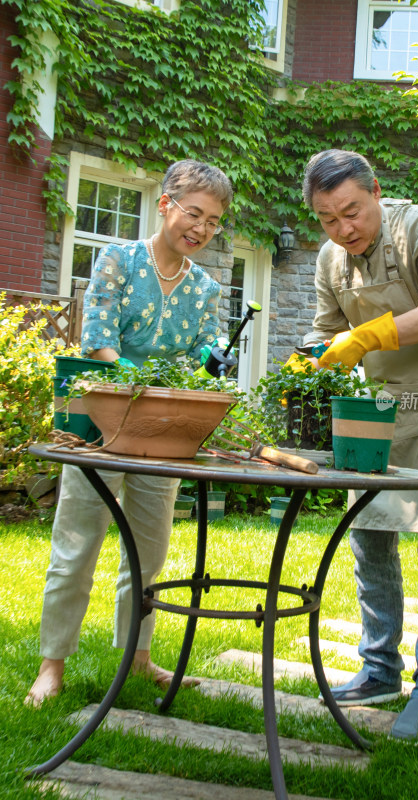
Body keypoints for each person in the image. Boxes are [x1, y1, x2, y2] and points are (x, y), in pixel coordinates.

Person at [291, 149, 418, 743]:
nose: (344, 229)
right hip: (377, 405)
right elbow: (327, 330)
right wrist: (304, 360)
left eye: (352, 211)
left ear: (375, 191)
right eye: (329, 219)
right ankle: (379, 670)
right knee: (370, 532)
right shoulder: (331, 258)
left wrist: (370, 332)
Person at [26, 159, 233, 706]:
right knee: (76, 546)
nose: (202, 228)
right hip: (99, 424)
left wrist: (204, 372)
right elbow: (97, 336)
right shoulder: (117, 259)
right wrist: (139, 384)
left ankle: (138, 657)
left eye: (213, 221)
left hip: (166, 435)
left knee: (149, 553)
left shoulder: (207, 289)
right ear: (165, 204)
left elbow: (202, 357)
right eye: (195, 214)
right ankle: (52, 665)